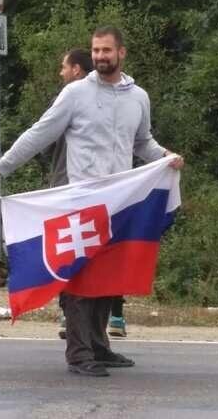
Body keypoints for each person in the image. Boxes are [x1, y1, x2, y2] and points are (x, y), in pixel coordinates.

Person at [0, 26, 184, 377]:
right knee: (80, 279)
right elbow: (39, 133)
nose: (100, 56)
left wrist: (165, 156)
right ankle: (79, 354)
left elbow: (142, 142)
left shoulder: (139, 98)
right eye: (96, 50)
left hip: (118, 205)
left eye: (106, 50)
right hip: (80, 203)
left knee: (107, 277)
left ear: (121, 53)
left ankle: (100, 347)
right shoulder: (75, 94)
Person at [49, 49, 127, 341]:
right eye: (96, 50)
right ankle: (86, 330)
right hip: (87, 189)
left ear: (77, 70)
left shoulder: (75, 98)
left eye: (64, 67)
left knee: (92, 257)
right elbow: (41, 134)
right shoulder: (83, 99)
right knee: (92, 256)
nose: (61, 73)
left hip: (80, 190)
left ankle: (100, 324)